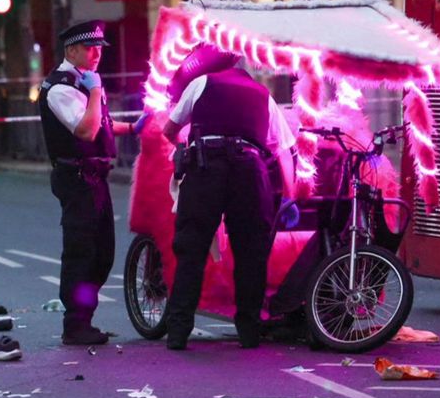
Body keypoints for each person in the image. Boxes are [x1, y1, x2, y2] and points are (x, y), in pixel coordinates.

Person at [162, 44, 297, 350]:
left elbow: (169, 128)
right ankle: (249, 332)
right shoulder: (264, 96)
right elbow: (284, 152)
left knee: (192, 248)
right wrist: (289, 197)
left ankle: (178, 331)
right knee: (251, 253)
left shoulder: (201, 83)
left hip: (206, 167)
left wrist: (186, 142)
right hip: (249, 170)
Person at [38, 20, 149, 345]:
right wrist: (97, 89)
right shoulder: (60, 88)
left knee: (103, 254)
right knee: (81, 252)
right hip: (76, 177)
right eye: (90, 48)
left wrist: (132, 128)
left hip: (93, 176)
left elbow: (99, 124)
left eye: (99, 48)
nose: (96, 54)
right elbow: (85, 130)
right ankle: (76, 324)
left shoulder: (80, 82)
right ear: (71, 50)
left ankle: (84, 316)